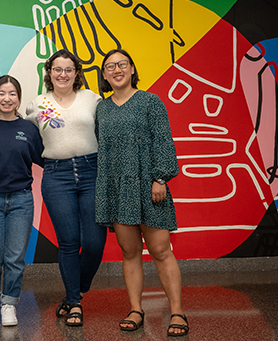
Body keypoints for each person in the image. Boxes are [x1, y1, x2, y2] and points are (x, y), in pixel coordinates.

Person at [95, 49, 189, 337]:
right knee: (130, 252)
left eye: (122, 64)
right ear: (105, 75)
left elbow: (163, 140)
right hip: (119, 189)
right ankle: (136, 309)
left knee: (161, 250)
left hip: (150, 186)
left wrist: (160, 178)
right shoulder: (102, 108)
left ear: (133, 69)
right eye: (110, 66)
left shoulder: (151, 101)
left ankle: (177, 312)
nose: (116, 70)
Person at [25, 49, 107, 327]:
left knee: (94, 244)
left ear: (76, 73)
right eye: (57, 69)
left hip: (91, 172)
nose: (62, 74)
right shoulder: (37, 105)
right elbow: (29, 141)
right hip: (56, 177)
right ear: (48, 73)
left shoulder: (92, 99)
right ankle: (74, 303)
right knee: (69, 243)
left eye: (68, 69)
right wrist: (50, 161)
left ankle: (79, 289)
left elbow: (104, 135)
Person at [0, 75, 44, 327]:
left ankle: (9, 304)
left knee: (15, 258)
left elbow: (45, 159)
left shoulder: (28, 129)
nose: (7, 98)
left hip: (21, 201)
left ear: (19, 98)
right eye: (2, 94)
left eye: (12, 93)